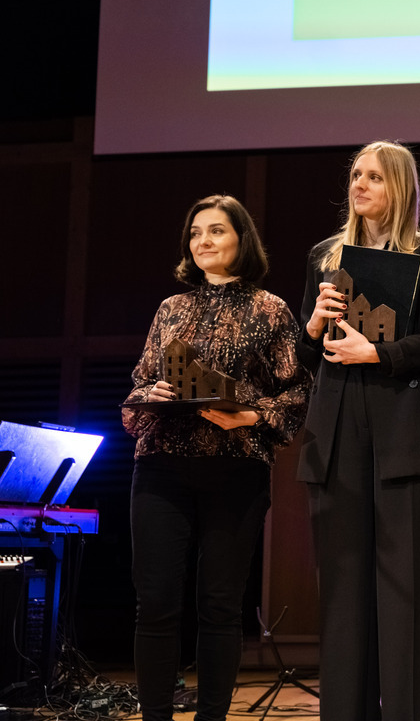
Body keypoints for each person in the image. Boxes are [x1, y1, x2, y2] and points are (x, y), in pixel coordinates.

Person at [296, 141, 420, 721]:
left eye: (374, 176)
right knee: (344, 594)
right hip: (338, 433)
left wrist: (380, 353)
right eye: (355, 175)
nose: (360, 185)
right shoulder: (325, 255)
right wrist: (313, 326)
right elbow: (304, 356)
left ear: (400, 187)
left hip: (408, 434)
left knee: (413, 592)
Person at [122, 195, 309, 721]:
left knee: (220, 605)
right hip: (161, 465)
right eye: (195, 233)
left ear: (241, 239)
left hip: (235, 468)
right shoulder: (170, 308)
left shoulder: (270, 308)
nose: (203, 241)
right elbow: (139, 384)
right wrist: (152, 393)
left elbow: (297, 391)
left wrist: (250, 415)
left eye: (217, 231)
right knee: (156, 603)